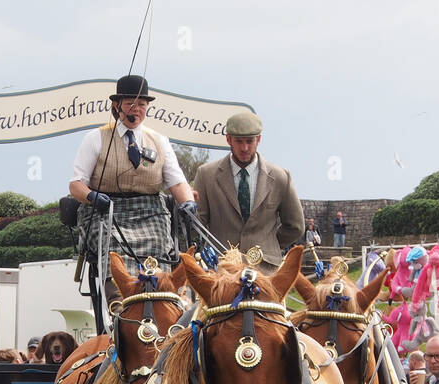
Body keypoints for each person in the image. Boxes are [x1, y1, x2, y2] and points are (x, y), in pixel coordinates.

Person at [69, 74, 194, 286]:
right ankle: (118, 303)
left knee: (159, 245)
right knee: (112, 248)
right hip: (107, 210)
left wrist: (188, 203)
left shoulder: (160, 141)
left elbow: (177, 182)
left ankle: (159, 298)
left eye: (142, 104)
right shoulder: (95, 138)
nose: (136, 109)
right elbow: (76, 185)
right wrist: (92, 196)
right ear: (117, 106)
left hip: (151, 212)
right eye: (130, 104)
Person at [193, 109, 304, 268]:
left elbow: (295, 226)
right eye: (239, 141)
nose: (244, 148)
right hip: (221, 269)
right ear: (228, 139)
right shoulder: (206, 175)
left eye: (249, 141)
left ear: (258, 139)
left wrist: (267, 244)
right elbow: (197, 225)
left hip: (265, 270)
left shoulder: (281, 177)